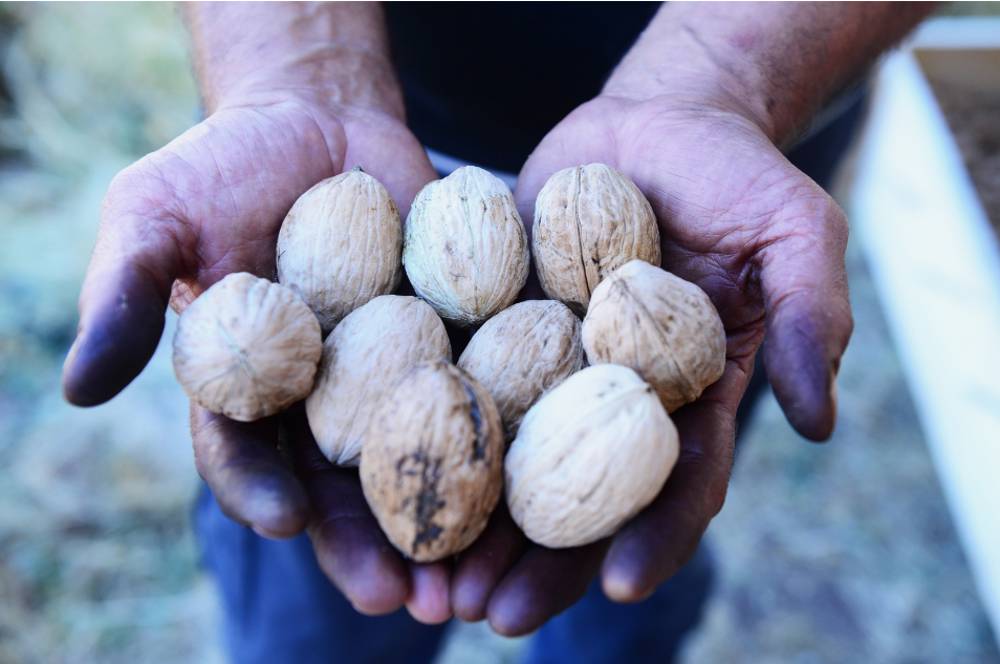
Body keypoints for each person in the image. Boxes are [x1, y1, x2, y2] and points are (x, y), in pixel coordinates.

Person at [61, 3, 934, 662]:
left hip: (702, 198)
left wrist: (722, 82)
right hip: (364, 134)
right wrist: (298, 67)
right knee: (310, 607)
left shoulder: (650, 292)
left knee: (628, 557)